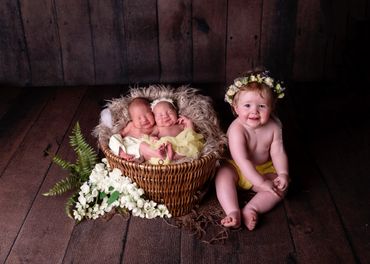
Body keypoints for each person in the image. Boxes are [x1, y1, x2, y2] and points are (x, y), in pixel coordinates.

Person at [215, 70, 289, 230]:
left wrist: (282, 173)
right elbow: (242, 160)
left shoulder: (275, 125)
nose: (254, 111)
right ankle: (233, 211)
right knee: (222, 175)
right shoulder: (237, 129)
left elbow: (278, 152)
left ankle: (252, 208)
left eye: (262, 106)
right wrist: (261, 182)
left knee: (282, 186)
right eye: (247, 105)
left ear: (272, 106)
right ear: (235, 107)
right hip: (236, 167)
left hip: (263, 168)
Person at [141, 98, 204, 164]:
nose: (165, 116)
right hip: (161, 147)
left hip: (177, 147)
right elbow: (152, 135)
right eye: (160, 115)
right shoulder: (158, 128)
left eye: (169, 112)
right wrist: (153, 137)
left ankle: (172, 156)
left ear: (176, 113)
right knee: (142, 145)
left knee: (190, 148)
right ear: (155, 119)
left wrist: (189, 123)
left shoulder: (180, 125)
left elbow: (190, 134)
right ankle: (157, 154)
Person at [108, 97, 167, 162]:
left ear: (152, 113)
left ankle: (157, 154)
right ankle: (122, 153)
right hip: (126, 146)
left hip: (142, 152)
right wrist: (119, 140)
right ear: (132, 119)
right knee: (113, 137)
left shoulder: (156, 127)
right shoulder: (131, 125)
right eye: (139, 118)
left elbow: (157, 135)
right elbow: (121, 134)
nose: (144, 120)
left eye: (147, 115)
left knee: (144, 146)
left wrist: (154, 138)